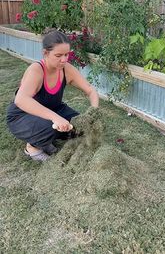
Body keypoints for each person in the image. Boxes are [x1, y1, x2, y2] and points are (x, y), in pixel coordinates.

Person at [6, 29, 99, 162]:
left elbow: (90, 90)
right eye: (58, 55)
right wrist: (56, 118)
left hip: (52, 109)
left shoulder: (66, 69)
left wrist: (93, 112)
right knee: (52, 127)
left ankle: (45, 139)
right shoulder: (36, 70)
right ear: (45, 53)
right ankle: (32, 148)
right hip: (21, 116)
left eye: (67, 54)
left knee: (80, 124)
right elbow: (20, 100)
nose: (64, 59)